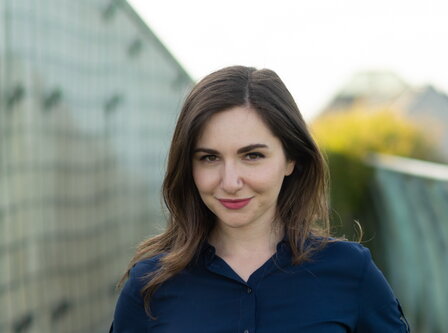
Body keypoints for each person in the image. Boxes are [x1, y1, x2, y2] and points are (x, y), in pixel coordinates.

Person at [110, 66, 410, 332]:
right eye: (209, 157)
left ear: (291, 159)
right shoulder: (149, 284)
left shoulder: (350, 272)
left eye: (252, 156)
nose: (230, 182)